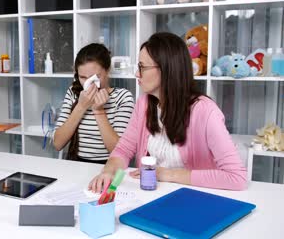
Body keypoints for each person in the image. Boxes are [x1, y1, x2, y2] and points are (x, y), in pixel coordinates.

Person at [89, 32, 247, 192]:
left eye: (142, 67)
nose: (137, 73)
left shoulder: (205, 111)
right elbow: (124, 149)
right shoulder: (144, 103)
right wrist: (108, 172)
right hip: (152, 195)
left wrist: (167, 174)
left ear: (166, 69)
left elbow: (236, 178)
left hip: (196, 199)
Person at [53, 43, 134, 163]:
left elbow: (118, 150)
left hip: (108, 165)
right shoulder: (73, 93)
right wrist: (81, 106)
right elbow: (58, 144)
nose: (88, 84)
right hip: (75, 163)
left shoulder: (122, 97)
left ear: (107, 71)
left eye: (94, 77)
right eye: (83, 77)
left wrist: (99, 111)